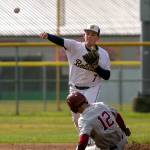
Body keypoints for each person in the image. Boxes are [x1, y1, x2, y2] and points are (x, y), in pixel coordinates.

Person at [39, 24, 111, 130]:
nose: (89, 36)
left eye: (93, 34)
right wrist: (48, 36)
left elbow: (107, 76)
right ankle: (85, 138)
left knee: (88, 114)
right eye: (87, 34)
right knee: (77, 118)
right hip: (74, 88)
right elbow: (61, 41)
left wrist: (96, 67)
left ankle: (90, 142)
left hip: (92, 88)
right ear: (84, 36)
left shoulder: (103, 54)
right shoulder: (75, 46)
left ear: (97, 38)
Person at [66, 92, 131, 150]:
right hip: (123, 142)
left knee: (80, 147)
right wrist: (124, 129)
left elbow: (83, 142)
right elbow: (117, 115)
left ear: (73, 108)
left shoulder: (83, 119)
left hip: (108, 148)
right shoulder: (100, 105)